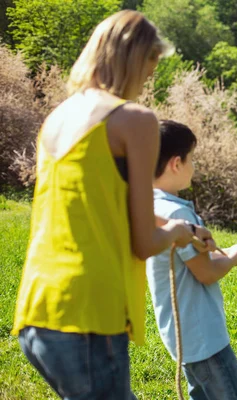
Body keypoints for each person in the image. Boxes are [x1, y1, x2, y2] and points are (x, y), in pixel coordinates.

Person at [11, 11, 215, 399]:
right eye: (149, 70)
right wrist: (174, 231)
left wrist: (187, 230)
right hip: (92, 314)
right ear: (135, 60)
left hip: (39, 312)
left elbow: (105, 204)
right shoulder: (134, 120)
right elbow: (144, 242)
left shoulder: (57, 118)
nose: (146, 83)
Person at [147, 120, 237, 400]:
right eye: (192, 159)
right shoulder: (176, 214)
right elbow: (206, 272)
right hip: (204, 338)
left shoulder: (151, 206)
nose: (194, 167)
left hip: (184, 336)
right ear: (176, 163)